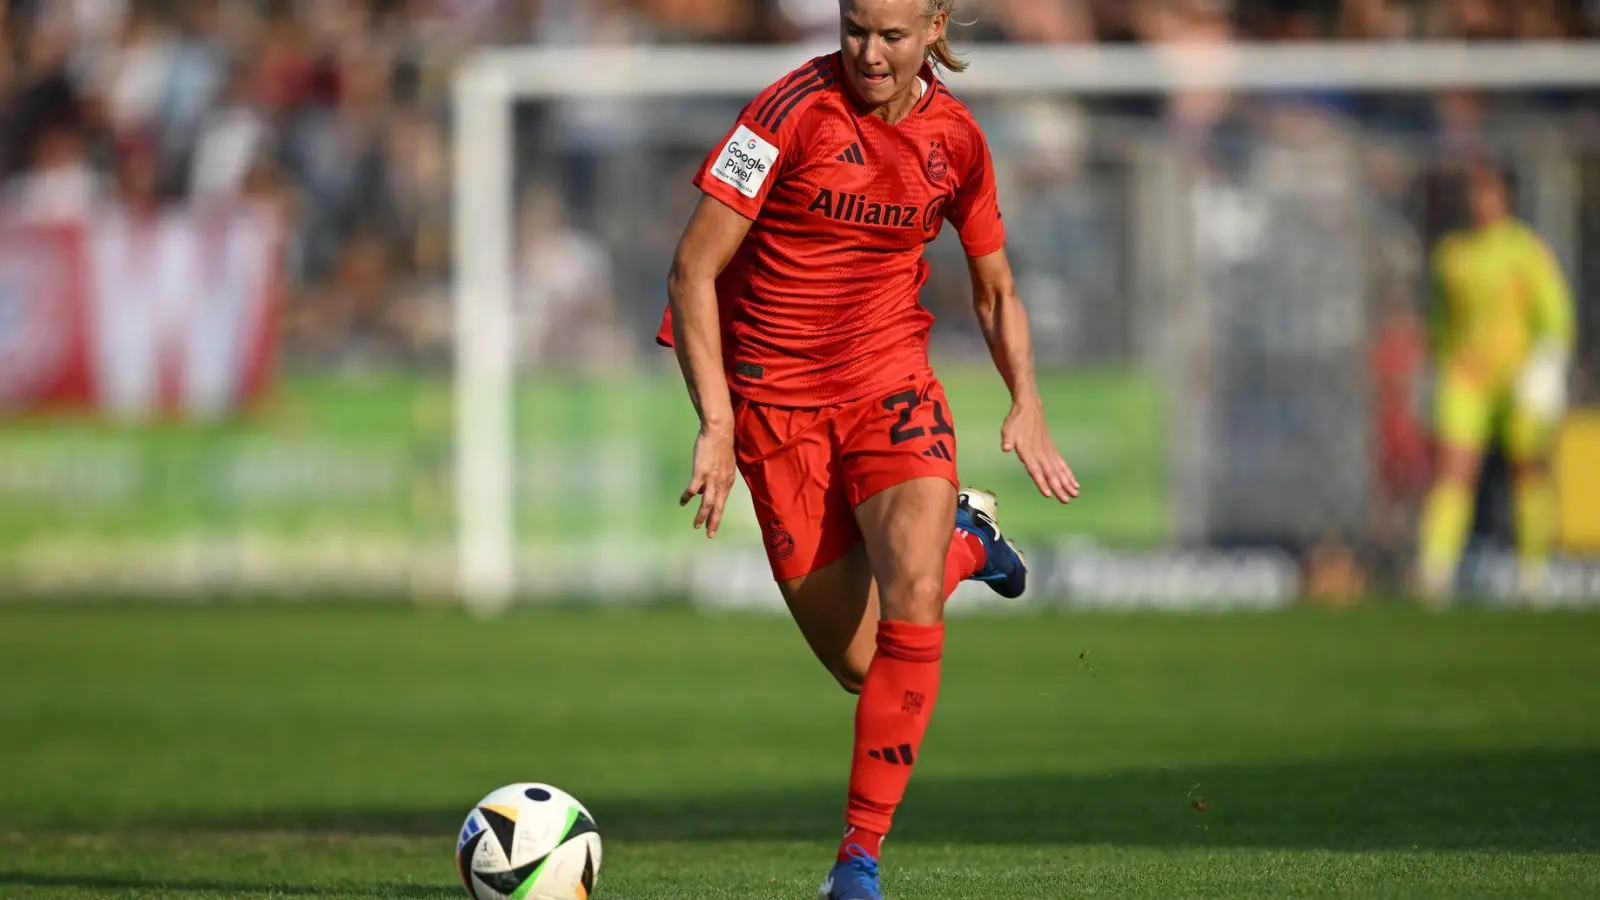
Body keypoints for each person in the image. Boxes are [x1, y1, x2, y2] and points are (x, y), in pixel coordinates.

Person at [655, 1, 1078, 897]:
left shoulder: (957, 141)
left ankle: (857, 861)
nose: (869, 53)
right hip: (778, 411)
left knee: (912, 602)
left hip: (891, 386)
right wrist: (719, 423)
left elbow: (996, 288)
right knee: (863, 664)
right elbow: (693, 268)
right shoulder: (780, 115)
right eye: (854, 29)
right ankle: (971, 541)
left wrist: (1027, 399)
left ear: (934, 27)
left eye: (890, 34)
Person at [1416, 162, 1575, 602]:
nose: (1479, 202)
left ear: (1505, 198)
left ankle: (1533, 573)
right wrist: (1433, 368)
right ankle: (1434, 570)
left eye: (1487, 192)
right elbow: (1440, 321)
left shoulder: (1526, 252)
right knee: (1453, 472)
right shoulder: (1452, 255)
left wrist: (1547, 365)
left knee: (1529, 470)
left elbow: (1555, 314)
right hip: (1466, 377)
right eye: (1473, 192)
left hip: (1518, 380)